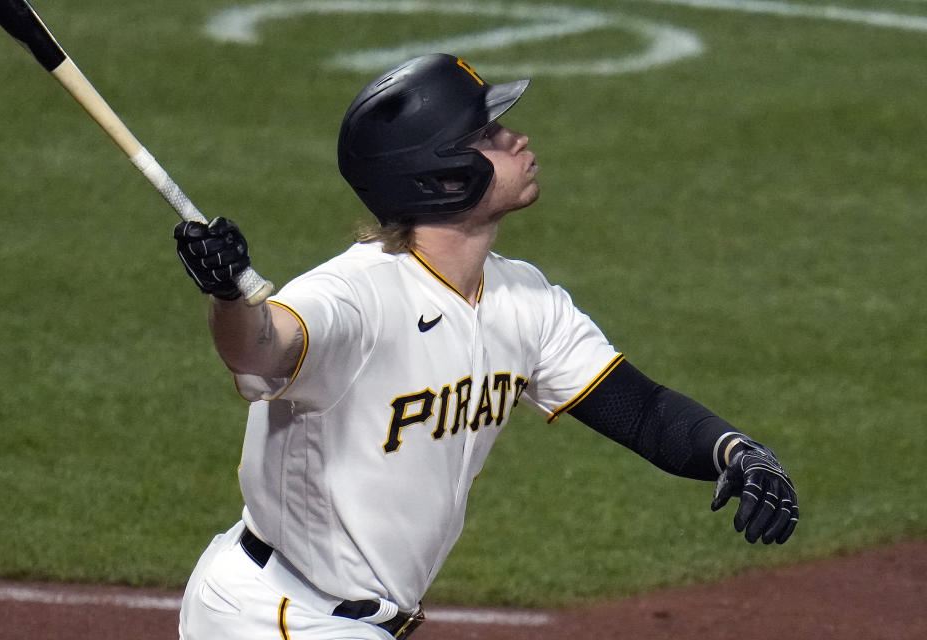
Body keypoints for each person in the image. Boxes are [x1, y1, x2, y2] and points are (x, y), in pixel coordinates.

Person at [174, 53, 798, 640]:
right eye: (488, 135)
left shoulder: (523, 299)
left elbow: (641, 411)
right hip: (273, 615)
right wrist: (230, 295)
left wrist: (736, 451)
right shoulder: (357, 295)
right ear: (441, 174)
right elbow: (259, 349)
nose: (517, 138)